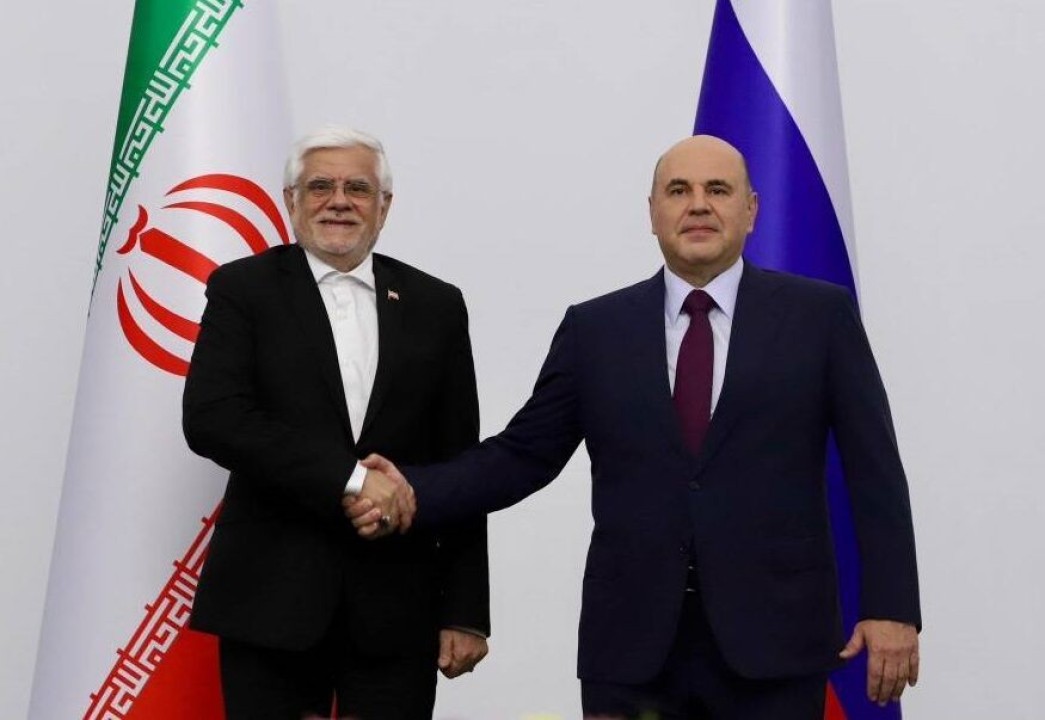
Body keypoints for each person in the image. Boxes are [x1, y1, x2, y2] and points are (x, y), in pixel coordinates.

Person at [350, 135, 921, 719]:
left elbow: (873, 469)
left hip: (776, 643)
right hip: (631, 647)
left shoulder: (819, 317)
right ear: (653, 213)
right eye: (679, 190)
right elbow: (521, 455)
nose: (698, 205)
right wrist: (411, 489)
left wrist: (892, 607)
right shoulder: (596, 330)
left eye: (717, 190)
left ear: (751, 210)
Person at [182, 125, 490, 720]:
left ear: (385, 205)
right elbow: (213, 418)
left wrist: (466, 609)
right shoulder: (242, 289)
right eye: (320, 186)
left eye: (358, 188)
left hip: (398, 607)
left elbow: (459, 461)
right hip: (270, 601)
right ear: (291, 200)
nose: (339, 201)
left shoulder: (437, 304)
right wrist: (351, 479)